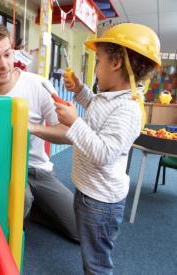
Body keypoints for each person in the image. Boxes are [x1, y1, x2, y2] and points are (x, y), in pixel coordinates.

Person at [31, 23, 161, 274]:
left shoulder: (128, 109)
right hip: (89, 191)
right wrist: (80, 90)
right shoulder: (109, 96)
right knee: (91, 250)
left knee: (97, 262)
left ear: (115, 64)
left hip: (101, 201)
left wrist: (74, 122)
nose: (96, 68)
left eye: (98, 60)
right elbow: (96, 110)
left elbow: (104, 153)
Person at [0, 20, 79, 242]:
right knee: (22, 199)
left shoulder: (38, 86)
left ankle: (36, 210)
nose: (4, 65)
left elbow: (70, 134)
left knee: (79, 231)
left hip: (37, 170)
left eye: (7, 55)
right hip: (2, 168)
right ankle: (19, 221)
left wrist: (32, 128)